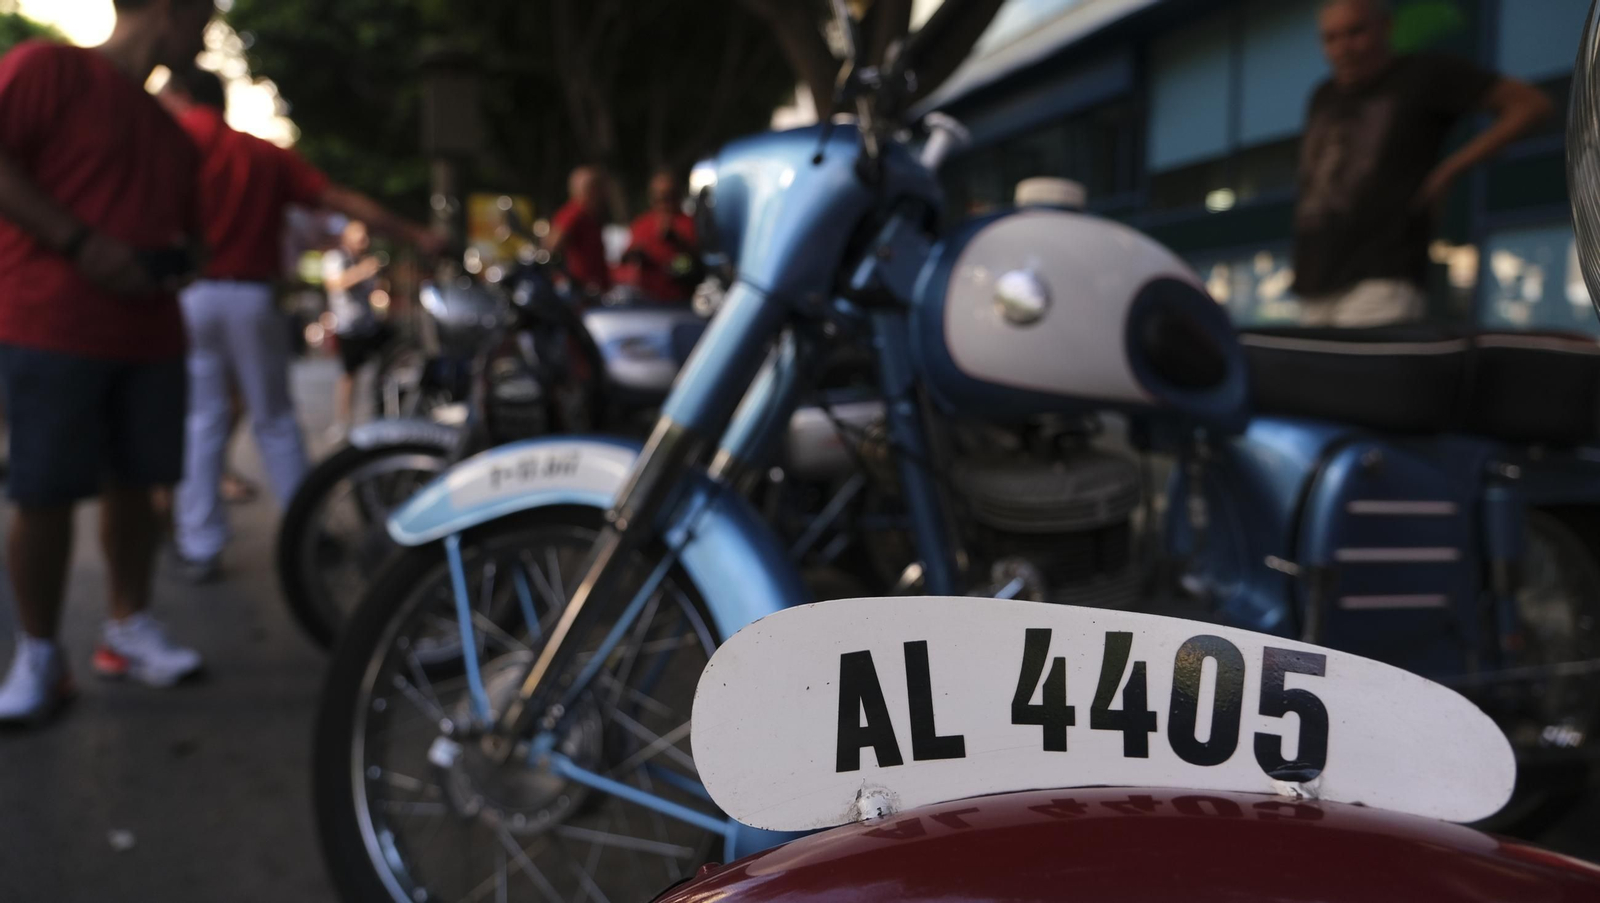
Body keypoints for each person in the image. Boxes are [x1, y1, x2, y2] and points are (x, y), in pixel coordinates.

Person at [0, 0, 214, 724]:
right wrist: (79, 241)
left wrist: (180, 260)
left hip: (150, 334)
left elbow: (194, 236)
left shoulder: (170, 131)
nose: (207, 31)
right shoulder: (49, 68)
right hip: (51, 323)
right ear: (166, 8)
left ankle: (129, 626)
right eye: (203, 14)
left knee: (139, 485)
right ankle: (38, 652)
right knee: (44, 491)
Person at [159, 67, 441, 581]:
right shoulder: (260, 154)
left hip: (190, 297)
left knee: (202, 421)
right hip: (252, 295)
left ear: (181, 97)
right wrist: (416, 234)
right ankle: (306, 531)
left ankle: (198, 544)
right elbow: (337, 201)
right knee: (275, 419)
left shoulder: (169, 145)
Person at [1292, 0, 1553, 327]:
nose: (1343, 48)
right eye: (1330, 38)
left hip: (1382, 277)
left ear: (1384, 27)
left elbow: (1531, 105)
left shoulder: (1425, 75)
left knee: (1366, 375)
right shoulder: (1322, 94)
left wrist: (1449, 170)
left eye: (1355, 32)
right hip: (1314, 282)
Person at [323, 220, 391, 437]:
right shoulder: (336, 258)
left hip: (368, 325)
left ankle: (381, 415)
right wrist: (362, 271)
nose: (364, 242)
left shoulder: (364, 261)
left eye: (365, 237)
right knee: (348, 376)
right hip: (347, 327)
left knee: (387, 366)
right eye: (359, 237)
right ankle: (343, 422)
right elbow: (335, 284)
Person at [621, 170, 700, 303]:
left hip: (684, 299)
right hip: (649, 300)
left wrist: (679, 242)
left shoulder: (691, 223)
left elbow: (700, 260)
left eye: (671, 197)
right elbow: (626, 259)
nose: (665, 204)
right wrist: (636, 255)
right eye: (661, 199)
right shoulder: (641, 225)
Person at [548, 165, 613, 297]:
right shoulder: (574, 213)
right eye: (595, 188)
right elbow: (553, 245)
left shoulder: (590, 216)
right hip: (580, 292)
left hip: (592, 290)